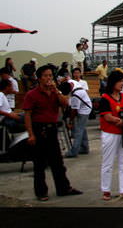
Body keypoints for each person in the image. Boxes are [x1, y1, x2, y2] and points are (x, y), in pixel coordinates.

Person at [22, 65, 82, 201]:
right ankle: (41, 192)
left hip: (52, 129)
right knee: (40, 163)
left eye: (50, 75)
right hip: (39, 129)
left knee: (57, 162)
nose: (48, 78)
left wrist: (56, 90)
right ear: (39, 78)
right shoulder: (32, 94)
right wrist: (31, 134)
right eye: (45, 76)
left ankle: (63, 188)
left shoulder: (55, 92)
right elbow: (27, 115)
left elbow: (65, 103)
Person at [99, 70, 123, 200]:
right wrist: (120, 121)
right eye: (120, 81)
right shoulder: (105, 98)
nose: (122, 84)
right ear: (113, 82)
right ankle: (106, 190)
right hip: (110, 133)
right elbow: (107, 117)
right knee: (108, 163)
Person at [64, 74, 92, 158]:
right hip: (85, 106)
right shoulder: (71, 82)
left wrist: (71, 122)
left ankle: (74, 151)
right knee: (82, 129)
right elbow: (67, 78)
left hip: (84, 110)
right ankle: (84, 148)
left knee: (78, 131)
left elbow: (74, 111)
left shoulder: (76, 95)